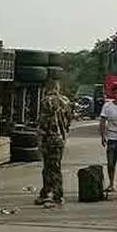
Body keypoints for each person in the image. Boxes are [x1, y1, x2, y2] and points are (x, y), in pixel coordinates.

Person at [35, 79, 71, 208]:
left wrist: (39, 141)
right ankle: (46, 192)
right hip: (60, 139)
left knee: (51, 168)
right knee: (53, 166)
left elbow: (43, 123)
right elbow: (69, 120)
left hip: (49, 139)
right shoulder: (66, 101)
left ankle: (57, 195)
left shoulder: (46, 101)